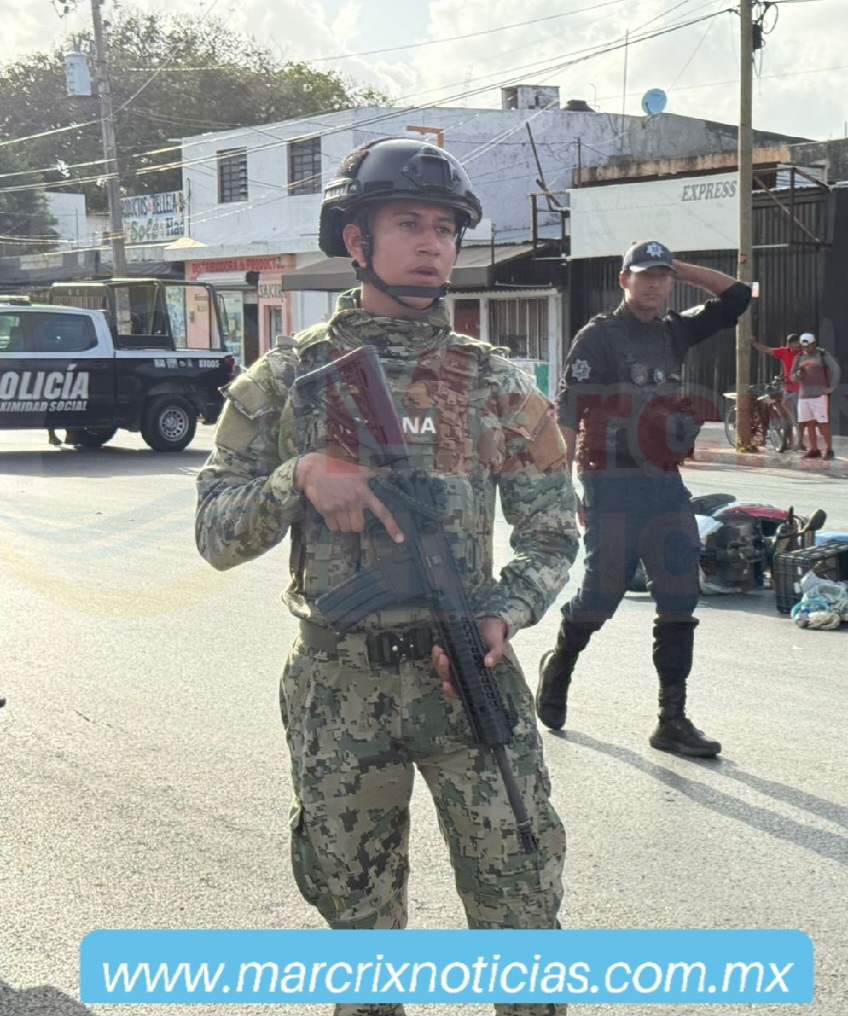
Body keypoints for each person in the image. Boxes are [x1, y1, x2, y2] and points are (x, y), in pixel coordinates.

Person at [195, 137, 577, 1016]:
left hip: (467, 677)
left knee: (522, 918)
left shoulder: (497, 382)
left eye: (444, 227)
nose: (432, 243)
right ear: (355, 240)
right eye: (408, 222)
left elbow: (554, 533)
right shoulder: (286, 380)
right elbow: (215, 533)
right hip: (340, 688)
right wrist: (300, 479)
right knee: (361, 941)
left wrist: (505, 614)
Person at [535, 239, 751, 758]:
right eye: (644, 274)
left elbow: (738, 297)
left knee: (680, 597)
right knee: (602, 596)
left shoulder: (674, 330)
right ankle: (560, 662)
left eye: (662, 275)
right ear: (623, 280)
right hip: (611, 484)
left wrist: (682, 267)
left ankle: (671, 720)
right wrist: (561, 490)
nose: (654, 284)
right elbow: (568, 414)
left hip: (663, 482)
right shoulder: (600, 337)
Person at [790, 332, 841, 459]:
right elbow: (791, 376)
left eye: (809, 346)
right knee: (809, 423)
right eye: (804, 347)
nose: (806, 349)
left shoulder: (823, 355)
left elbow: (835, 369)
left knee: (823, 423)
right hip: (804, 395)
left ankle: (829, 449)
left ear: (814, 344)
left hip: (819, 394)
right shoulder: (799, 357)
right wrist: (797, 376)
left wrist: (832, 387)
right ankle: (814, 449)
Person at [753, 331, 806, 449]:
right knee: (789, 417)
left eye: (799, 343)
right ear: (789, 344)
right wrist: (753, 343)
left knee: (798, 418)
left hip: (802, 389)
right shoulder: (783, 352)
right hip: (789, 389)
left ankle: (799, 442)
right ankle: (793, 442)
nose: (797, 346)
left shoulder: (803, 353)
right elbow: (766, 350)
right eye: (795, 344)